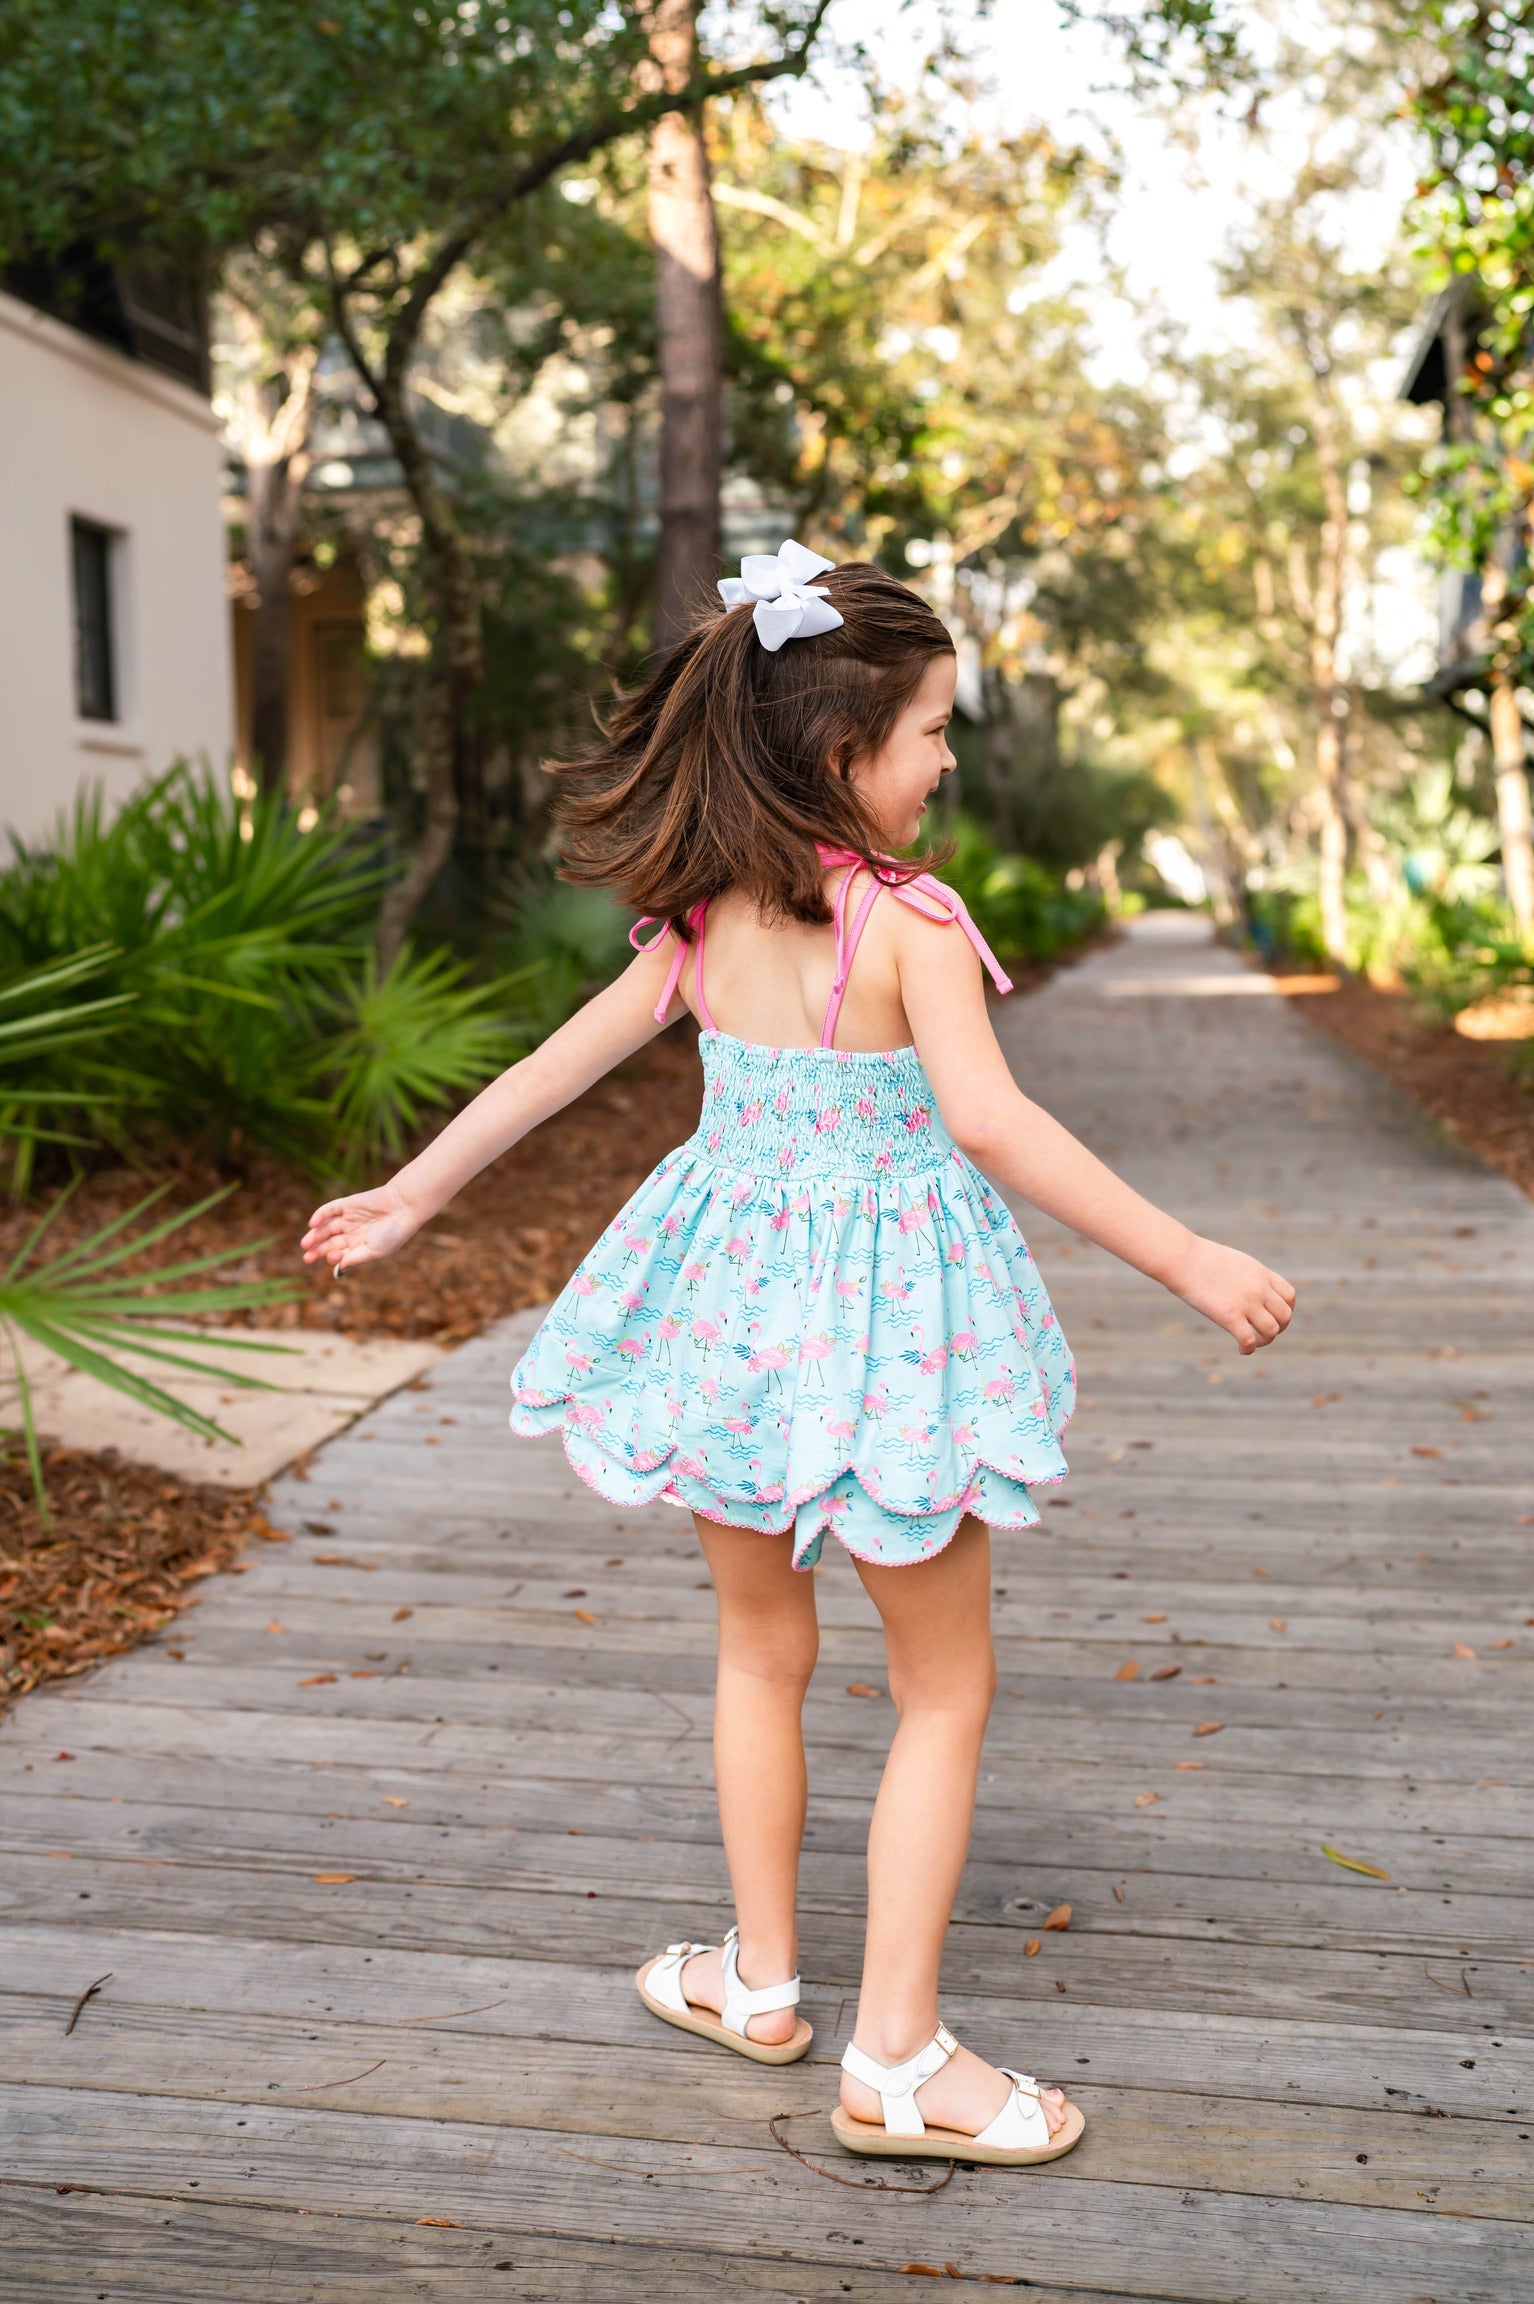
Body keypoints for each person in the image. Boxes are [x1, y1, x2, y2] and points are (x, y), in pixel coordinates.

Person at [301, 542, 1295, 2168]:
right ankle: (893, 2058)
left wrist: (416, 1194)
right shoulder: (904, 919)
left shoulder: (702, 919)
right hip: (893, 1333)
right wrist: (1186, 1256)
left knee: (759, 1656)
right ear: (845, 755)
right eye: (931, 731)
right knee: (941, 1688)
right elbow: (989, 1120)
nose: (949, 758)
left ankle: (760, 1985)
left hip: (732, 1323)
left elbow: (560, 1062)